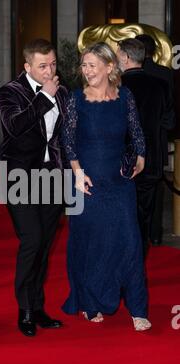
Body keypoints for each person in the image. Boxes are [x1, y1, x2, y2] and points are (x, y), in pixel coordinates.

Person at [61, 42, 151, 331]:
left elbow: (136, 129)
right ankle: (89, 302)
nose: (86, 70)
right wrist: (76, 173)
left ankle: (138, 308)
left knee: (130, 243)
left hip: (119, 182)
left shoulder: (125, 96)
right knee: (90, 244)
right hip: (86, 182)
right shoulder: (77, 99)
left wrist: (140, 156)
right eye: (84, 65)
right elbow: (68, 141)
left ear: (109, 67)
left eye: (92, 65)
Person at [0, 38, 68, 337]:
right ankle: (24, 308)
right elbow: (15, 127)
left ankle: (37, 307)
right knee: (32, 240)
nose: (49, 70)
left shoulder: (62, 92)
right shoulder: (9, 92)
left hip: (52, 176)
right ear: (27, 66)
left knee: (45, 244)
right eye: (42, 66)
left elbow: (65, 135)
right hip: (19, 175)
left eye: (52, 64)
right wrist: (44, 98)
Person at [117, 38, 175, 258]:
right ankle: (138, 259)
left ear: (127, 58)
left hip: (122, 161)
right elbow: (169, 122)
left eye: (118, 54)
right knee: (143, 215)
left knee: (122, 216)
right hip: (151, 159)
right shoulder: (161, 85)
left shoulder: (116, 86)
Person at [135, 33, 175, 246]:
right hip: (156, 141)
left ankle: (135, 231)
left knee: (133, 188)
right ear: (154, 51)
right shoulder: (165, 74)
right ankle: (155, 232)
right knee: (155, 187)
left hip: (130, 143)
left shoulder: (123, 77)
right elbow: (169, 115)